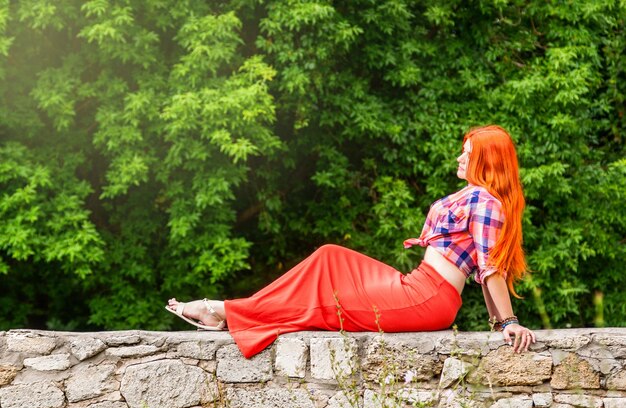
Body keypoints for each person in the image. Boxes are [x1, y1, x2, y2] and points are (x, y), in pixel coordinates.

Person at [166, 125, 537, 359]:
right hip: (417, 284)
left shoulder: (486, 202)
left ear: (486, 162)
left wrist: (507, 322)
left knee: (328, 303)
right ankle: (233, 312)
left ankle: (224, 311)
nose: (459, 157)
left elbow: (491, 268)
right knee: (329, 257)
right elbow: (488, 267)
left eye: (468, 154)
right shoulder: (476, 197)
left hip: (427, 297)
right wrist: (496, 321)